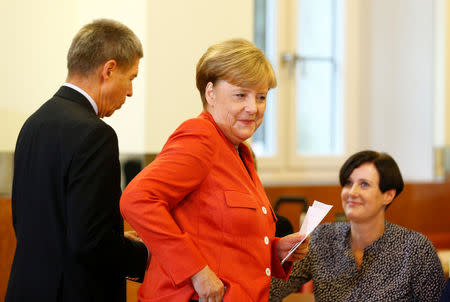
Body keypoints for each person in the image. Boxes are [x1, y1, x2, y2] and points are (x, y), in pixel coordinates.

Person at [120, 38, 308, 302]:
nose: (253, 108)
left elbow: (222, 236)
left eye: (261, 97)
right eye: (241, 95)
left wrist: (276, 250)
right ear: (210, 93)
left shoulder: (239, 151)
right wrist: (196, 271)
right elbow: (136, 199)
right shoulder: (201, 137)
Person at [6, 19, 148, 302]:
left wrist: (116, 240)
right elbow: (91, 243)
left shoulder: (34, 123)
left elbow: (30, 222)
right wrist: (143, 255)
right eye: (131, 77)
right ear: (109, 70)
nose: (130, 91)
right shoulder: (96, 134)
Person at [270, 150, 446, 302]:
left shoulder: (416, 249)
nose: (352, 192)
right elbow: (269, 293)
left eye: (364, 184)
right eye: (348, 183)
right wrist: (276, 254)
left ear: (388, 195)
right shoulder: (322, 239)